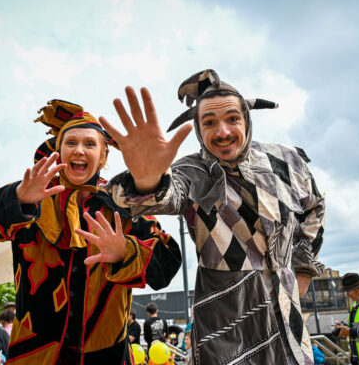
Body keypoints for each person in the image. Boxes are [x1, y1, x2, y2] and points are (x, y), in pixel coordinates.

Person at [103, 69, 326, 364]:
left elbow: (314, 207)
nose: (222, 132)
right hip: (225, 320)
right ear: (198, 128)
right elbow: (169, 194)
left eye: (232, 118)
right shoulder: (192, 172)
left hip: (289, 320)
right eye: (209, 122)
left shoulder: (286, 161)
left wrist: (302, 268)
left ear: (247, 119)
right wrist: (147, 180)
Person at [0, 101, 181, 364]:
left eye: (90, 144)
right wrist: (15, 199)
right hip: (35, 354)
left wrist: (126, 253)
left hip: (106, 354)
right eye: (71, 142)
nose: (79, 150)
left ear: (104, 156)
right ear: (59, 152)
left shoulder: (123, 203)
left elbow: (167, 266)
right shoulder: (33, 197)